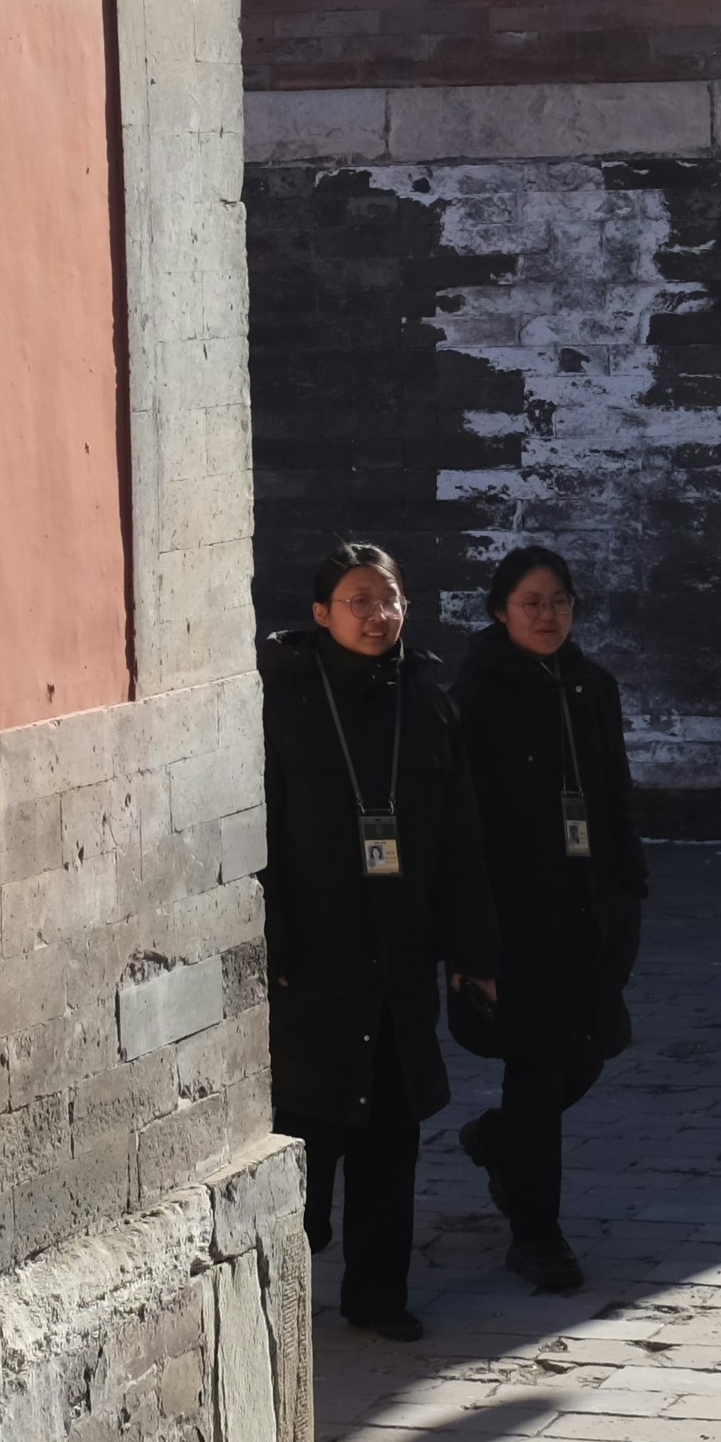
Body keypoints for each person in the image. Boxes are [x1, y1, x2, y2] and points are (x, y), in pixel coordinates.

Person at [258, 544, 499, 1340]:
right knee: (309, 1127)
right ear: (322, 613)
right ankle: (289, 1276)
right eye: (358, 601)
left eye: (388, 598)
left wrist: (473, 955)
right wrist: (272, 949)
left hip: (398, 953)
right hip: (314, 957)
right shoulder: (281, 696)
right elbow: (256, 835)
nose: (377, 615)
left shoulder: (426, 700)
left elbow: (460, 835)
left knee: (390, 1139)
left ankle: (377, 1294)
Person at [448, 546, 649, 1295]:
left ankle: (501, 1141)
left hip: (586, 910)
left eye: (559, 600)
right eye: (531, 602)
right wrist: (467, 934)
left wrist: (630, 887)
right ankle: (537, 1234)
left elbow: (616, 795)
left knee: (590, 1051)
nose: (547, 615)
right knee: (536, 1066)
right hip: (513, 913)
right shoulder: (477, 693)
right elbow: (460, 820)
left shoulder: (591, 687)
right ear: (502, 609)